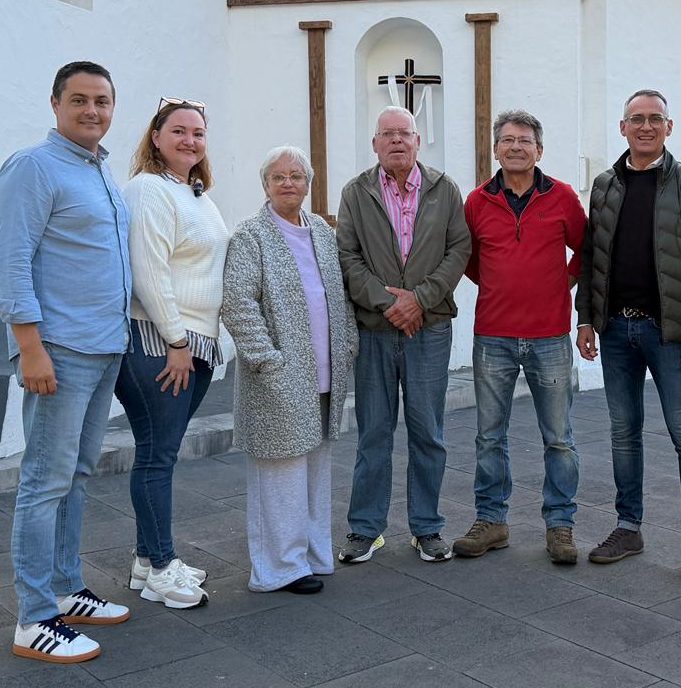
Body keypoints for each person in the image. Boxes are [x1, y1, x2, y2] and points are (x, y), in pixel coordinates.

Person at [0, 60, 133, 664]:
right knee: (44, 481)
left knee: (75, 474)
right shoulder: (33, 167)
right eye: (79, 100)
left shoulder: (100, 173)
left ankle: (66, 588)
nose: (92, 111)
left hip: (104, 346)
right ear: (55, 105)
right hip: (60, 349)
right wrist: (30, 347)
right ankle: (34, 618)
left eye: (102, 101)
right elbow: (11, 261)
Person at [575, 90, 681, 584]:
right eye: (636, 119)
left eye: (654, 119)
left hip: (671, 333)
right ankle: (628, 527)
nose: (644, 127)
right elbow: (593, 258)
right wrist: (585, 320)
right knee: (623, 433)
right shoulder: (604, 186)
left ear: (669, 127)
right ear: (622, 128)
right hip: (616, 329)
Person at [335, 106, 471, 565]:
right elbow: (347, 257)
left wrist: (421, 299)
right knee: (374, 431)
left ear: (418, 141)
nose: (396, 141)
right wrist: (389, 302)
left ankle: (427, 527)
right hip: (375, 330)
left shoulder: (444, 189)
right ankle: (365, 529)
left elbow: (459, 250)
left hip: (429, 329)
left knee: (428, 432)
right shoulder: (356, 192)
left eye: (404, 134)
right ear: (375, 144)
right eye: (387, 134)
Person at [222, 147, 357, 593]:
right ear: (265, 185)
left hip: (323, 373)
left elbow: (336, 294)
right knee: (280, 474)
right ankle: (280, 567)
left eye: (297, 176)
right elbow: (238, 304)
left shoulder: (320, 229)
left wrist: (348, 344)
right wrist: (266, 360)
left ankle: (314, 555)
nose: (288, 184)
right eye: (278, 177)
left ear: (309, 183)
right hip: (277, 377)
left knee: (316, 471)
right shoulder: (251, 236)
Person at [455, 110, 587, 564]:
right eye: (507, 140)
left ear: (539, 150)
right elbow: (468, 259)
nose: (516, 147)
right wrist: (498, 283)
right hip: (492, 335)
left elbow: (587, 251)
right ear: (495, 149)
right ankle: (491, 521)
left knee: (559, 438)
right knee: (489, 436)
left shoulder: (563, 197)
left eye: (525, 140)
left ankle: (560, 526)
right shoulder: (476, 202)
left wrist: (560, 283)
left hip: (550, 336)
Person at [113, 97, 229, 611]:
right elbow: (149, 270)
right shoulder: (148, 189)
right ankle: (161, 568)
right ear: (156, 137)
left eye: (198, 132)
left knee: (159, 454)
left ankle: (145, 559)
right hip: (160, 343)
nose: (189, 140)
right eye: (178, 131)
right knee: (157, 457)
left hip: (193, 344)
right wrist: (177, 341)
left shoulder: (198, 194)